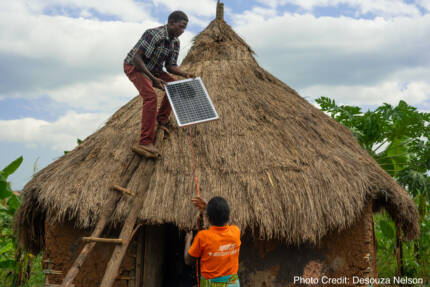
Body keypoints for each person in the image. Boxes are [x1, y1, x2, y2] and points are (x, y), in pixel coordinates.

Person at [124, 10, 195, 155]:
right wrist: (153, 79)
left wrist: (185, 74)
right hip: (135, 66)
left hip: (154, 69)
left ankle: (160, 121)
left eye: (184, 28)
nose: (182, 31)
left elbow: (170, 66)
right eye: (180, 27)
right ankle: (145, 142)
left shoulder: (175, 42)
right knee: (150, 97)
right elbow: (137, 59)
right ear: (171, 22)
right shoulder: (154, 34)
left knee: (175, 87)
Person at [184, 196, 241, 286]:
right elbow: (229, 223)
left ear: (208, 218)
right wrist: (209, 209)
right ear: (228, 215)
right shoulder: (236, 232)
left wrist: (188, 240)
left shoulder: (202, 236)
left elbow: (188, 260)